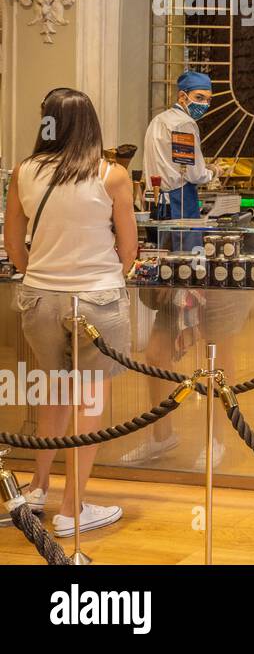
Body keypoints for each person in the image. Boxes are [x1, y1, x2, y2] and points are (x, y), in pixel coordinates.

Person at [2, 88, 138, 537]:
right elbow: (129, 248)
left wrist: (40, 274)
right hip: (96, 299)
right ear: (90, 125)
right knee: (89, 400)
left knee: (53, 393)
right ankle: (73, 510)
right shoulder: (112, 175)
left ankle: (38, 489)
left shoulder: (24, 171)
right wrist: (102, 276)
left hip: (40, 299)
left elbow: (13, 245)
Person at [142, 70, 213, 226]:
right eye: (199, 97)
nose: (204, 104)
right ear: (182, 96)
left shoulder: (158, 120)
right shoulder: (184, 123)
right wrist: (213, 172)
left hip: (153, 203)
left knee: (158, 250)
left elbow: (174, 163)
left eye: (208, 100)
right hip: (178, 204)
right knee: (184, 250)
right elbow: (194, 174)